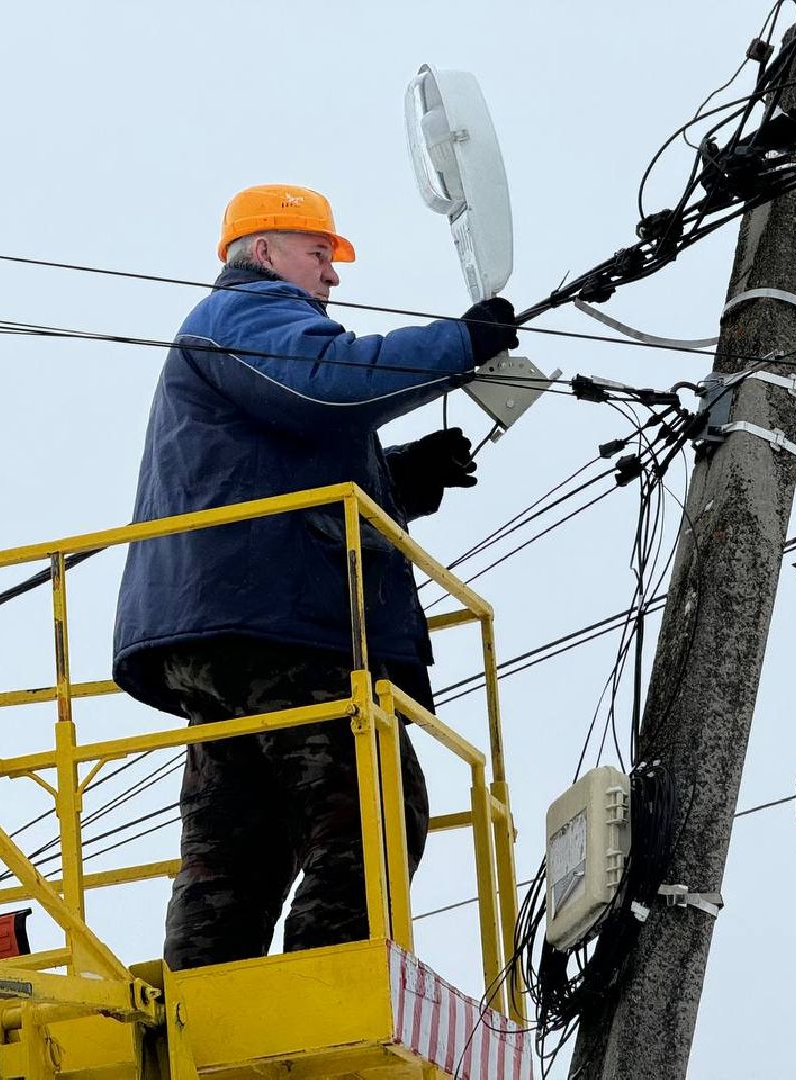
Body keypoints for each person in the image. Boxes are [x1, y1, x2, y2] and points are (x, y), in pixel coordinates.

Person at [111, 183, 519, 970]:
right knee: (374, 810)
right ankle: (327, 999)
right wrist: (461, 344)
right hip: (275, 623)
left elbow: (267, 475)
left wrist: (401, 481)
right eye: (320, 252)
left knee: (240, 842)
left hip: (226, 627)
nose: (333, 275)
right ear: (264, 252)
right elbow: (324, 384)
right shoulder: (244, 313)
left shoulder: (237, 335)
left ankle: (209, 1010)